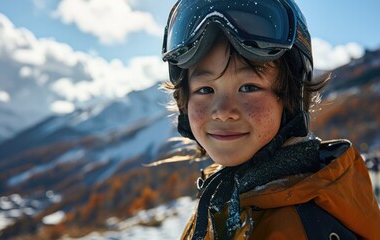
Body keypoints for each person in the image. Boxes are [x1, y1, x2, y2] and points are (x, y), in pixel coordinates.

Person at [161, 0, 380, 239]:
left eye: (248, 87)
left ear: (290, 98)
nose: (223, 111)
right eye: (205, 90)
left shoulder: (302, 225)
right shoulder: (226, 194)